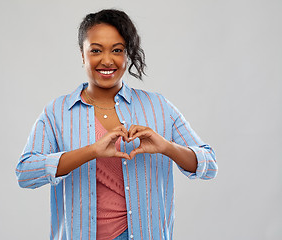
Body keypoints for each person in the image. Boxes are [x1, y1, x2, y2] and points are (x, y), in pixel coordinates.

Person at [16, 9, 218, 240]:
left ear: (128, 55)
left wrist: (167, 147)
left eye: (117, 50)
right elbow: (25, 172)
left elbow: (209, 165)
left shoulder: (158, 106)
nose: (107, 60)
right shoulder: (57, 112)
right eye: (96, 50)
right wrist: (91, 151)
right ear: (82, 55)